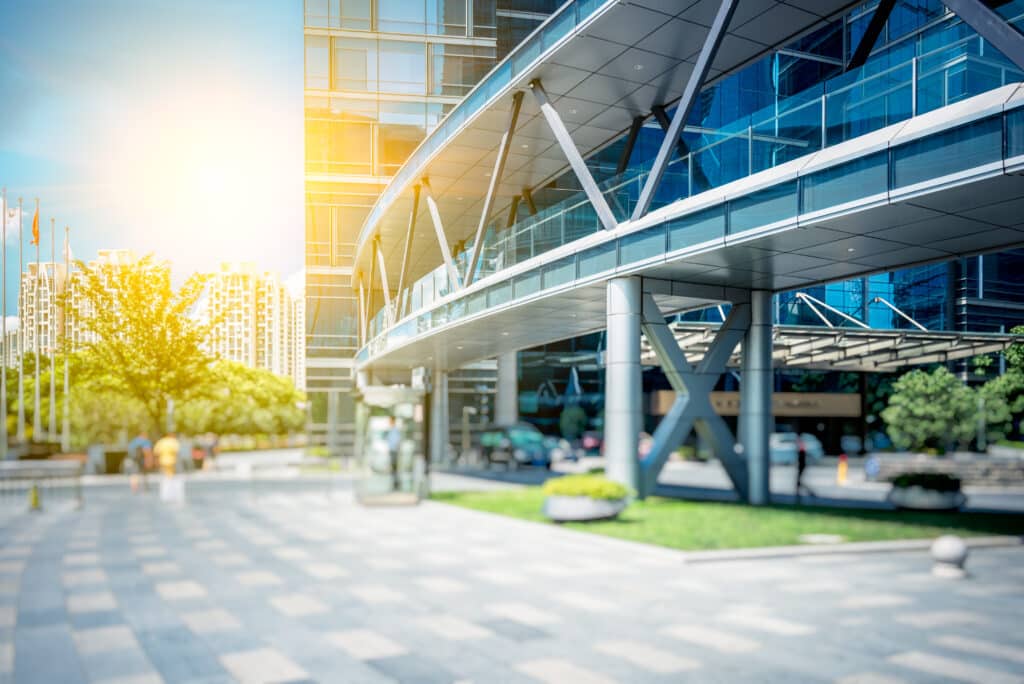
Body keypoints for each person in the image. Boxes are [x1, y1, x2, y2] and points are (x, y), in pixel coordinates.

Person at [795, 438, 814, 503]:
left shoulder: (801, 450)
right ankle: (798, 494)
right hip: (801, 466)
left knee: (798, 482)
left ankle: (799, 494)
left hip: (801, 467)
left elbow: (801, 459)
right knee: (798, 482)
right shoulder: (801, 450)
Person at [386, 417, 402, 491]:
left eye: (390, 421)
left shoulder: (395, 430)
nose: (389, 422)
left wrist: (395, 449)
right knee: (393, 468)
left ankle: (396, 483)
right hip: (392, 450)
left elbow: (397, 441)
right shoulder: (391, 430)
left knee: (394, 467)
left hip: (394, 451)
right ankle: (394, 482)